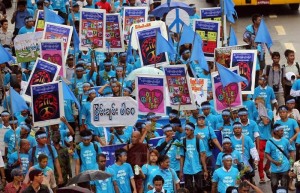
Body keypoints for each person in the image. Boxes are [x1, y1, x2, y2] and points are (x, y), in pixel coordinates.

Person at [265, 123, 295, 193]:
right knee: (274, 185)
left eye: (283, 130)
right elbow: (267, 154)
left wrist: (291, 160)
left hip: (285, 167)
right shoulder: (269, 142)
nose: (282, 132)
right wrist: (274, 161)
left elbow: (292, 150)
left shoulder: (285, 141)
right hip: (274, 169)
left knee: (284, 186)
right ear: (275, 131)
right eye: (281, 131)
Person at [180, 122, 208, 193]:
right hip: (187, 168)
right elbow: (182, 157)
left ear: (192, 130)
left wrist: (205, 170)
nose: (186, 131)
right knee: (188, 189)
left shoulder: (198, 141)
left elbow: (202, 156)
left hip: (197, 168)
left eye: (188, 130)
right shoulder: (183, 141)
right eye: (185, 130)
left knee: (199, 188)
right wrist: (181, 171)